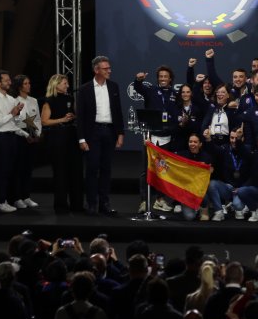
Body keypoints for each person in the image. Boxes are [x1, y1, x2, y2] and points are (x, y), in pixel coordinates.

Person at [76, 56, 124, 216]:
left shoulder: (114, 86)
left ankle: (104, 204)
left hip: (109, 131)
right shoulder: (85, 89)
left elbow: (118, 111)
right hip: (93, 133)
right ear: (96, 70)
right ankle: (91, 203)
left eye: (109, 68)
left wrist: (120, 133)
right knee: (92, 168)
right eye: (106, 68)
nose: (109, 70)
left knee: (106, 169)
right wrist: (81, 138)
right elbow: (80, 116)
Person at [133, 65, 179, 214]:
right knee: (146, 170)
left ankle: (160, 200)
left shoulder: (175, 94)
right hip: (151, 137)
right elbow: (138, 88)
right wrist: (138, 80)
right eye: (160, 76)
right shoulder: (151, 90)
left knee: (162, 170)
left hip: (166, 138)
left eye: (166, 76)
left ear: (170, 79)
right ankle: (144, 201)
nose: (163, 79)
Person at [0, 70, 29, 213]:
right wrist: (12, 114)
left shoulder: (11, 99)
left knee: (12, 170)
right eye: (6, 80)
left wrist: (23, 132)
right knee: (2, 170)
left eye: (9, 80)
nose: (10, 82)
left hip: (12, 137)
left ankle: (11, 199)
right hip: (0, 138)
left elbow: (14, 122)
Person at [42, 74, 84, 213]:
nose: (68, 85)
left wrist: (73, 116)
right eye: (65, 83)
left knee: (76, 171)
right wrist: (62, 120)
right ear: (56, 84)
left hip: (71, 136)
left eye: (67, 83)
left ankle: (77, 205)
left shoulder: (70, 98)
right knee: (60, 172)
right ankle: (61, 206)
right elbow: (44, 121)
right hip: (57, 137)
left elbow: (76, 115)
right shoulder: (49, 100)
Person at [12, 74, 41, 209]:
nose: (29, 85)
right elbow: (13, 122)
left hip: (32, 134)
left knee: (28, 168)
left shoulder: (34, 100)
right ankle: (17, 198)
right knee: (19, 168)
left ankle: (26, 196)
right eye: (25, 83)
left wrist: (38, 134)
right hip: (19, 136)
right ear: (19, 86)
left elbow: (37, 120)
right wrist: (25, 135)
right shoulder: (13, 101)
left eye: (29, 83)